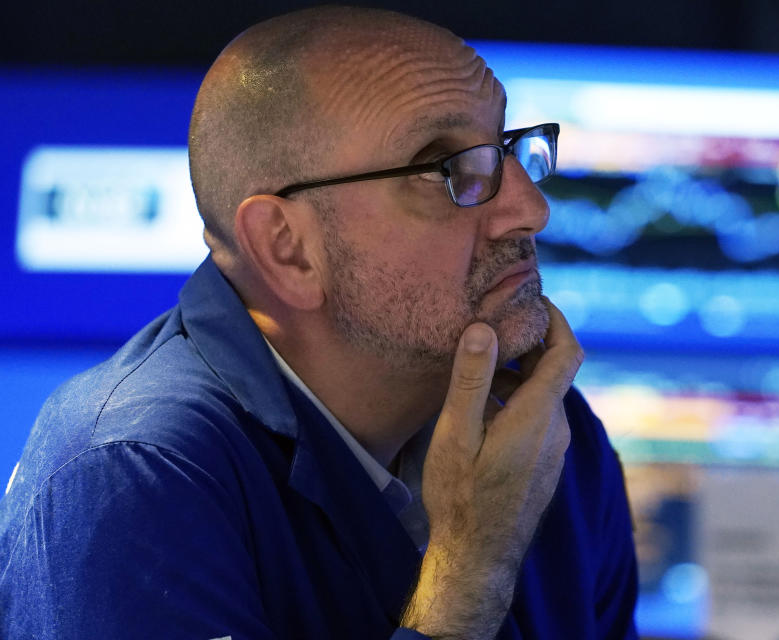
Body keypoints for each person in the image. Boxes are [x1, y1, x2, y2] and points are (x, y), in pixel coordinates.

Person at [0, 5, 638, 639]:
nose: (530, 209)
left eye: (504, 149)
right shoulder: (133, 474)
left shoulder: (544, 433)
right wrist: (471, 565)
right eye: (445, 169)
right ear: (286, 248)